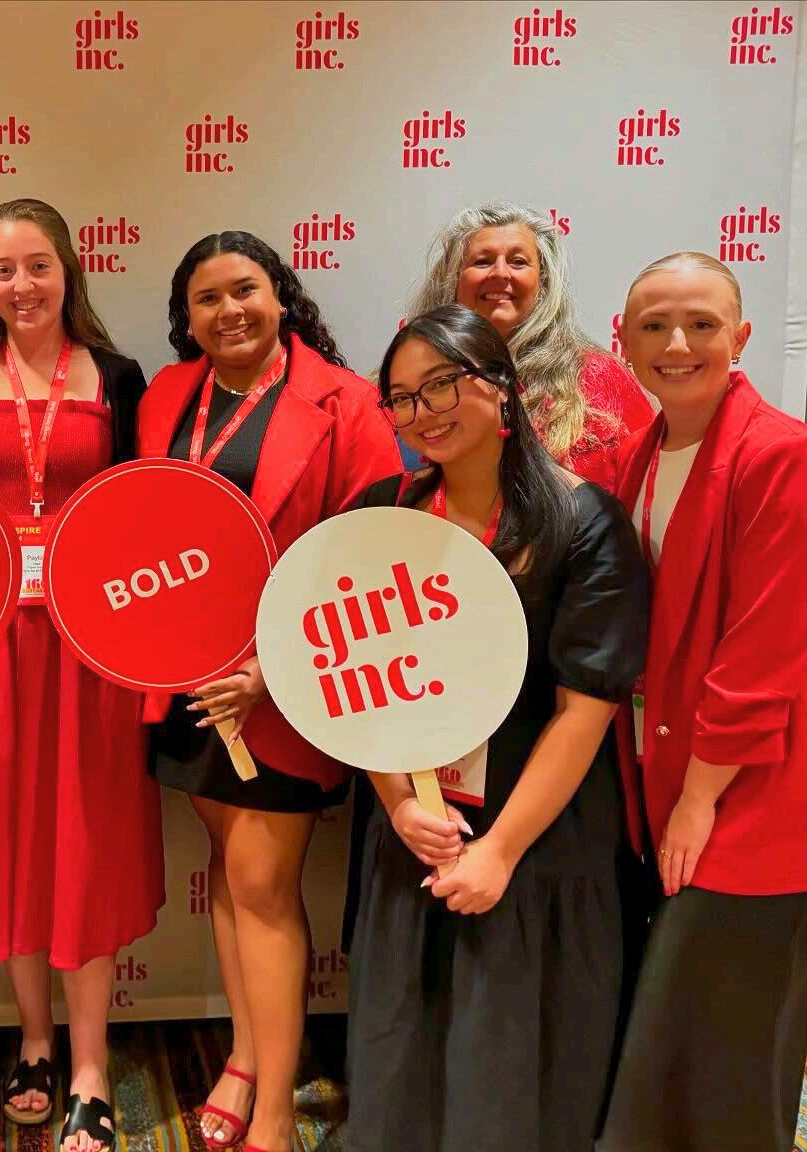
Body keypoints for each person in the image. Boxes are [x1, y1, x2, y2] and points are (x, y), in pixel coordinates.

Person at [345, 304, 650, 1152]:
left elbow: (584, 711)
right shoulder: (382, 513)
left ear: (503, 388)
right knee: (402, 1050)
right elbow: (357, 690)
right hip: (419, 825)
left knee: (511, 1064)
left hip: (536, 834)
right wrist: (400, 804)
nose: (423, 411)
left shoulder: (586, 525)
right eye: (402, 397)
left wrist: (502, 851)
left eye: (443, 383)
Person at [137, 231, 399, 1152]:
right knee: (229, 872)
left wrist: (273, 671)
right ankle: (247, 1058)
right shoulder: (169, 394)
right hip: (189, 683)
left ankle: (277, 1112)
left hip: (282, 688)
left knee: (263, 886)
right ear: (187, 318)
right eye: (206, 298)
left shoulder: (348, 401)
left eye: (244, 290)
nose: (229, 311)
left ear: (281, 296)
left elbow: (364, 557)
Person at [0, 198, 162, 1152]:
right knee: (10, 843)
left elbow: (142, 512)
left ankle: (90, 1064)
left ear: (69, 270)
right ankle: (33, 1041)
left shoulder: (117, 375)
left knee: (84, 848)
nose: (21, 285)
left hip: (87, 651)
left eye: (37, 266)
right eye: (3, 269)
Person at [599, 252, 807, 1152]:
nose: (677, 343)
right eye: (655, 325)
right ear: (624, 340)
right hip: (667, 770)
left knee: (734, 1031)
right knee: (683, 1024)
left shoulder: (781, 453)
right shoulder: (639, 454)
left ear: (741, 336)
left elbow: (765, 648)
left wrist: (698, 795)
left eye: (701, 324)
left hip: (748, 787)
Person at [407, 201, 652, 485]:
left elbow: (645, 485)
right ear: (453, 279)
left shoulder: (600, 377)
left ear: (543, 280)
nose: (500, 273)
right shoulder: (409, 379)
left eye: (518, 262)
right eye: (482, 261)